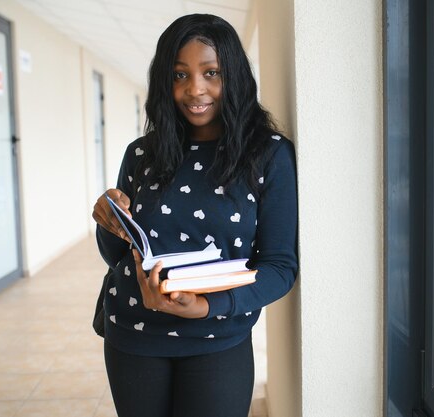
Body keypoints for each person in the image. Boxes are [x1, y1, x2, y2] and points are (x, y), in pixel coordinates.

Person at [91, 13, 298, 417]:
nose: (195, 90)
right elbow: (119, 255)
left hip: (219, 336)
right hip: (133, 335)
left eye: (211, 73)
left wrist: (208, 307)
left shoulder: (268, 155)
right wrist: (108, 220)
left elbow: (279, 266)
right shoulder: (140, 154)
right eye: (180, 75)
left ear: (234, 75)